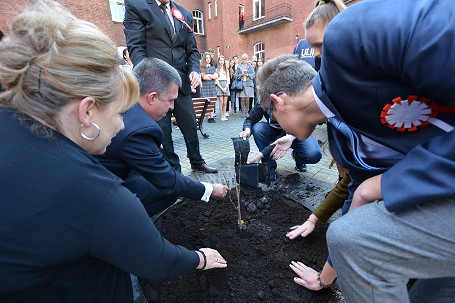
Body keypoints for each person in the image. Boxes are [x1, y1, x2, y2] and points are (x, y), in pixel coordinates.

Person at [0, 1, 227, 302]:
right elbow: (156, 259)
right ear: (87, 111)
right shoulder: (94, 194)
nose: (122, 124)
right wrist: (199, 257)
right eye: (119, 111)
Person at [256, 0, 455, 298]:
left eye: (272, 119)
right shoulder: (345, 142)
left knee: (349, 238)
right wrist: (324, 278)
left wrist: (387, 184)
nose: (277, 128)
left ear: (279, 101)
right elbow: (355, 211)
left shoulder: (350, 39)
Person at [96, 57, 228, 217]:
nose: (172, 107)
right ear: (152, 97)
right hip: (98, 201)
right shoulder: (139, 129)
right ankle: (130, 221)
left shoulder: (125, 105)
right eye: (170, 100)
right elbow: (168, 181)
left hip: (103, 179)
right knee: (168, 189)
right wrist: (210, 189)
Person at [124, 0, 218, 174]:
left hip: (180, 84)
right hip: (156, 85)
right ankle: (174, 171)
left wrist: (194, 70)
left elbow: (192, 50)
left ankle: (197, 161)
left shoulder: (184, 13)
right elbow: (136, 46)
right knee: (163, 132)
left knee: (190, 125)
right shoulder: (137, 6)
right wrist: (148, 77)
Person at [239, 103, 322, 181]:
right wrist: (247, 129)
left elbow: (280, 140)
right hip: (275, 131)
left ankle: (298, 158)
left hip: (298, 132)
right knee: (258, 128)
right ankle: (269, 166)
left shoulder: (291, 102)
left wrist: (260, 155)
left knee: (314, 154)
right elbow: (251, 119)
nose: (271, 115)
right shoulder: (263, 100)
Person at [234, 53, 255, 117]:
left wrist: (248, 75)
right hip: (241, 84)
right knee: (242, 98)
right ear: (241, 59)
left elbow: (253, 74)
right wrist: (241, 75)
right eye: (243, 59)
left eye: (245, 59)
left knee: (247, 98)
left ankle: (247, 112)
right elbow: (235, 75)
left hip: (248, 83)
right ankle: (243, 112)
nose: (244, 60)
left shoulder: (250, 66)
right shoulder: (239, 66)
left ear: (247, 59)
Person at [200, 51, 218, 123]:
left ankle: (212, 116)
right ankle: (208, 116)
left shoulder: (213, 67)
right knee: (206, 101)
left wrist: (209, 76)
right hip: (205, 87)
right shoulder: (202, 67)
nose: (208, 59)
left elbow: (216, 76)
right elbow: (204, 77)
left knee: (212, 101)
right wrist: (212, 76)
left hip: (212, 86)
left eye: (209, 58)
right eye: (206, 58)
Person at [215, 55, 230, 121]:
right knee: (221, 102)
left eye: (222, 60)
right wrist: (221, 88)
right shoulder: (216, 70)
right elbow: (216, 80)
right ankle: (221, 116)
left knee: (225, 102)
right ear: (218, 61)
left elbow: (228, 79)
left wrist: (226, 87)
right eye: (220, 60)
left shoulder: (226, 70)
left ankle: (224, 115)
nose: (221, 62)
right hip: (219, 86)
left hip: (226, 85)